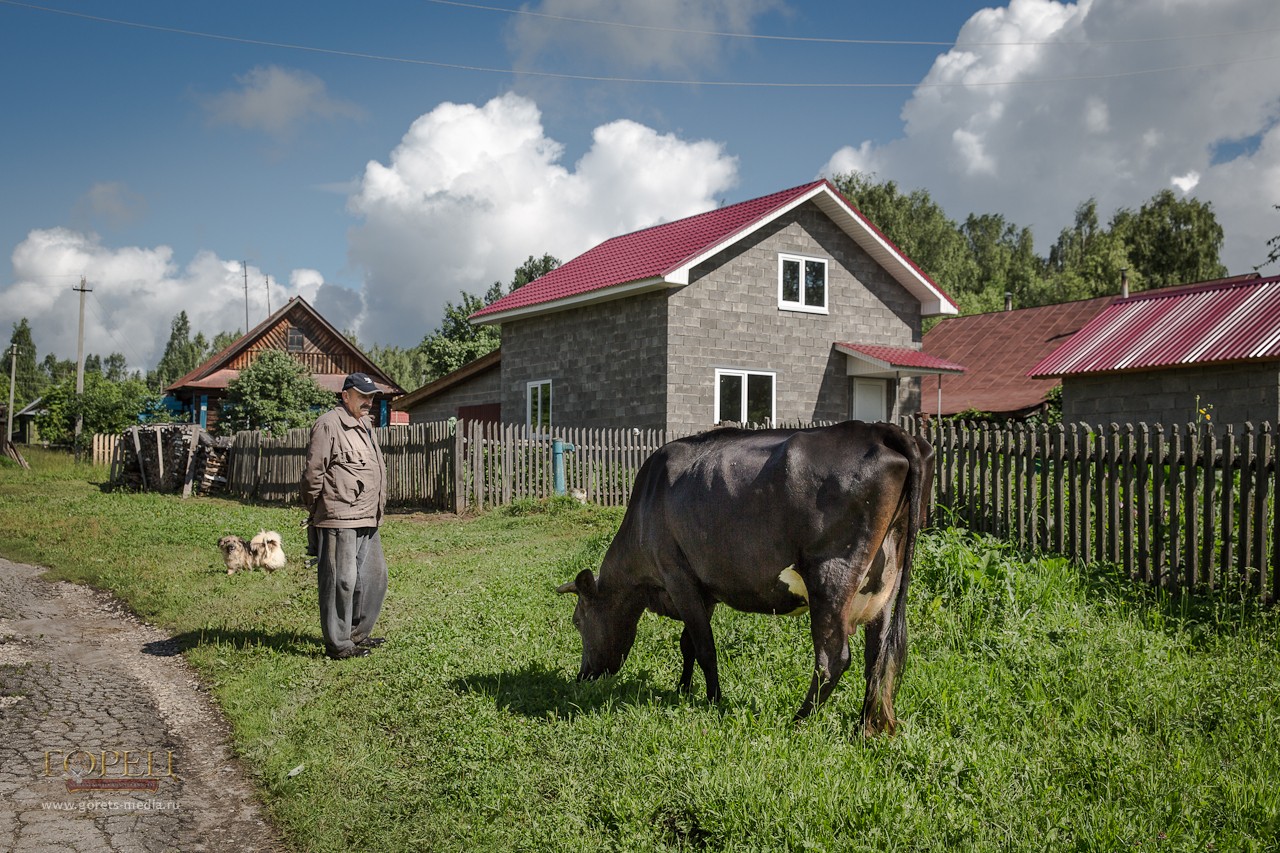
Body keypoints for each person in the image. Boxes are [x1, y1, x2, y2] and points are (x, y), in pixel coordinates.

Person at [301, 372, 389, 660]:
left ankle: (357, 635)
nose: (368, 402)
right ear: (345, 395)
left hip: (367, 515)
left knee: (373, 579)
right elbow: (314, 473)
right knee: (341, 581)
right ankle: (339, 644)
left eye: (371, 397)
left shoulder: (365, 424)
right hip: (339, 516)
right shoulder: (328, 424)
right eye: (363, 396)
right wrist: (316, 510)